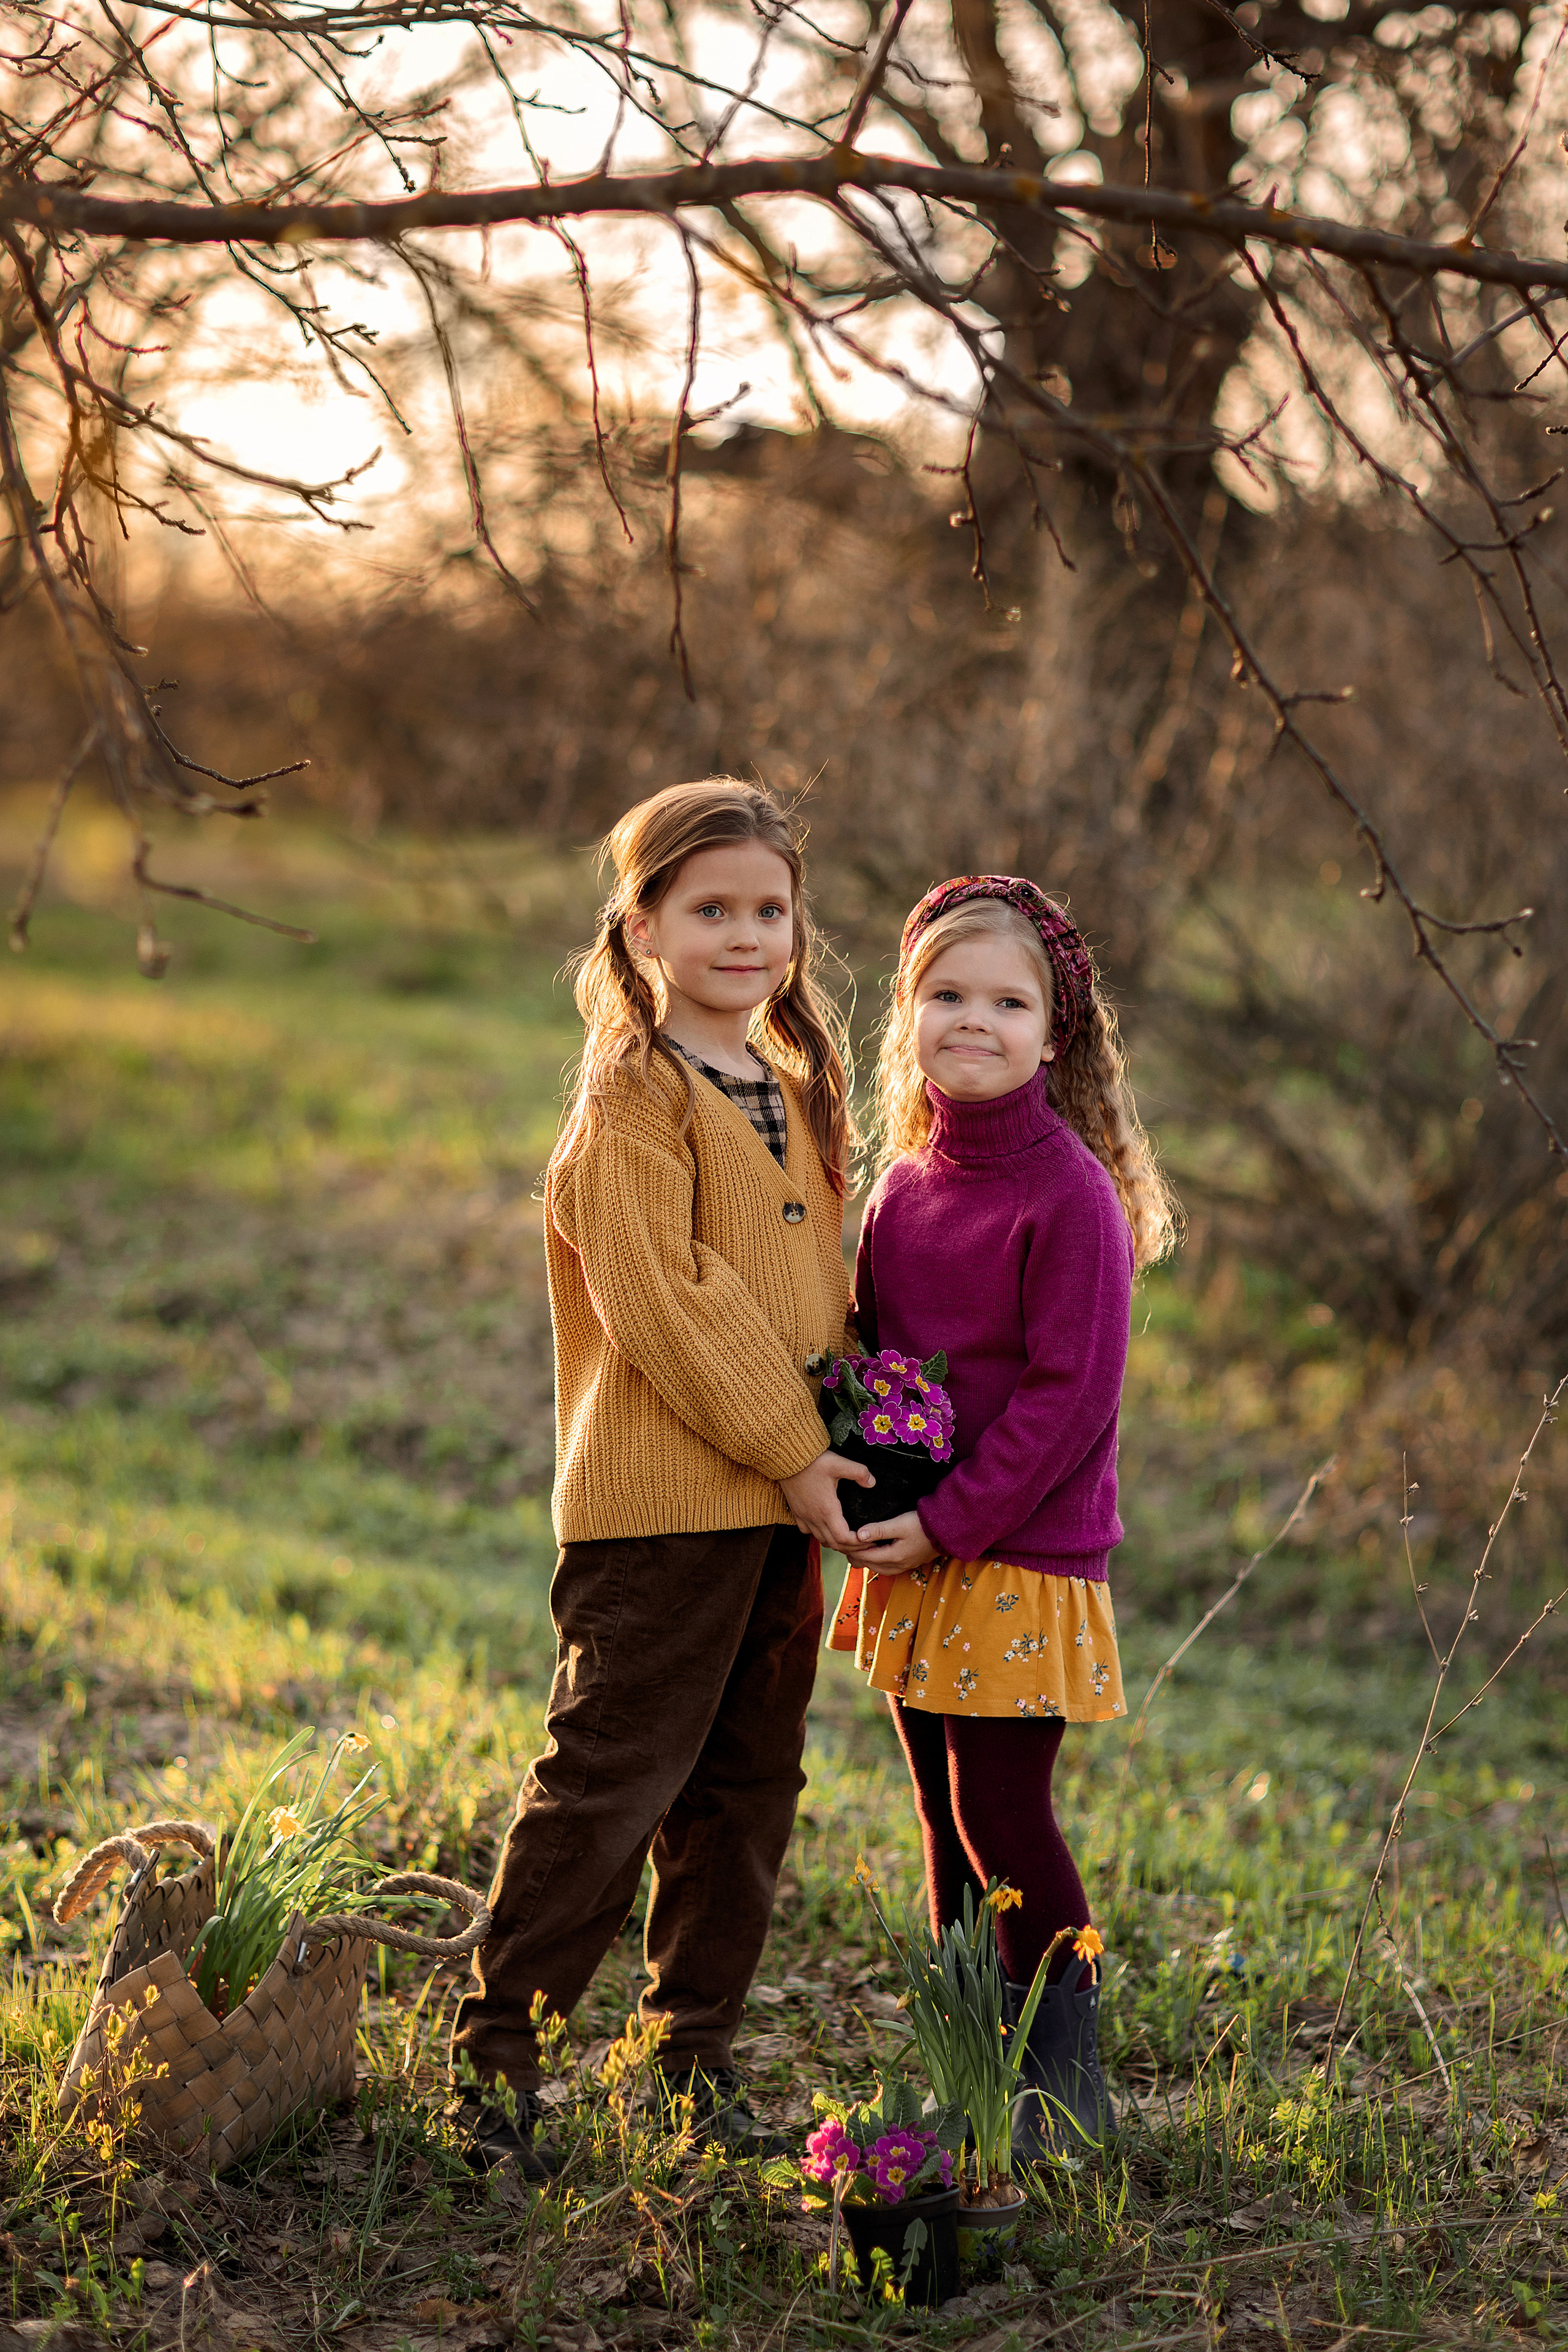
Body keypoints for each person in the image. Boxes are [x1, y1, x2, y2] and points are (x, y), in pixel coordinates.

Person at [451, 778, 870, 2174]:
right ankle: (496, 2059)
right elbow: (667, 1298)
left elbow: (814, 1294)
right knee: (613, 1782)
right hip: (662, 1513)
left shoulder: (789, 1086)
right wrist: (797, 1453)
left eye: (768, 907)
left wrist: (861, 1434)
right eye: (710, 908)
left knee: (747, 1788)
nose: (746, 933)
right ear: (639, 929)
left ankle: (686, 2060)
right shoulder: (634, 1096)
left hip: (778, 1506)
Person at [829, 875, 1178, 2152]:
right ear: (906, 1015)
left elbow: (1066, 1400)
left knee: (1003, 1812)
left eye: (1006, 1001)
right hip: (918, 1547)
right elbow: (877, 1364)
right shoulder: (902, 1188)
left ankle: (1061, 2076)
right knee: (934, 1804)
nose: (971, 1020)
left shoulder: (1068, 1195)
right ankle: (969, 2056)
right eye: (944, 994)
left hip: (1016, 1550)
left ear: (1055, 1033)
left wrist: (951, 1521)